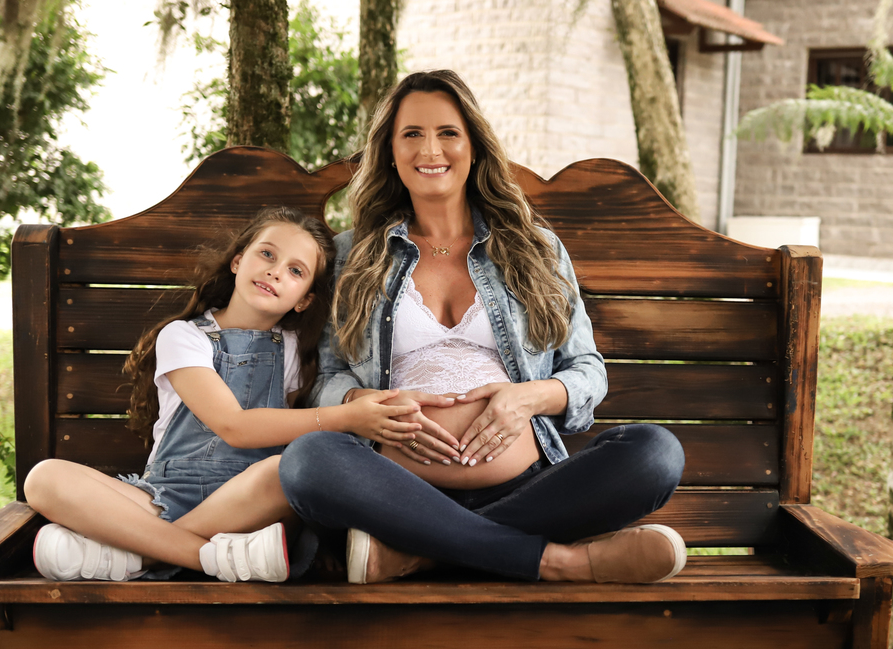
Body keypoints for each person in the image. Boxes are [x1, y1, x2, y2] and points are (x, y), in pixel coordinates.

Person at [277, 70, 687, 584]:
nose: (431, 149)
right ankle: (557, 562)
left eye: (448, 132)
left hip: (528, 486)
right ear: (389, 152)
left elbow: (587, 370)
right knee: (306, 461)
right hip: (392, 491)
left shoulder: (535, 248)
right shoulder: (351, 254)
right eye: (412, 133)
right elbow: (323, 378)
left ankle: (421, 553)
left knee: (655, 454)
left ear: (474, 148)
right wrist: (362, 404)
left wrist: (528, 399)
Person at [23, 207, 422, 583]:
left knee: (283, 471)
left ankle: (137, 553)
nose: (275, 271)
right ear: (237, 261)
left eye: (295, 270)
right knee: (45, 478)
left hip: (248, 507)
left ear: (304, 299)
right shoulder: (184, 337)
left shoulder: (296, 352)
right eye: (267, 254)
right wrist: (346, 417)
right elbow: (234, 426)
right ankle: (206, 557)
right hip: (164, 496)